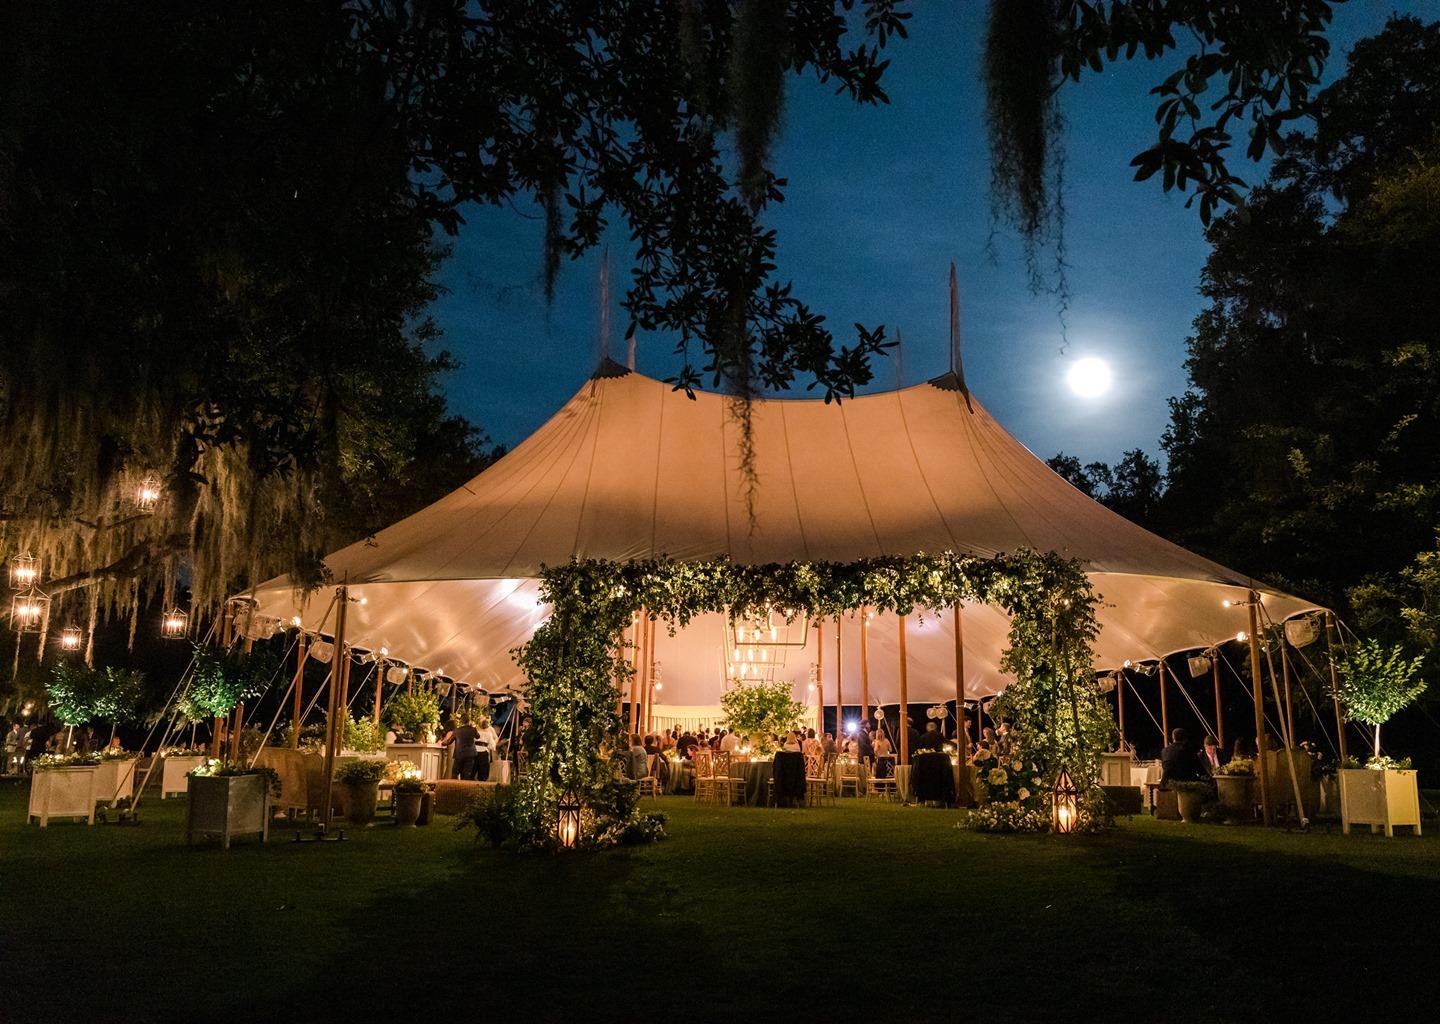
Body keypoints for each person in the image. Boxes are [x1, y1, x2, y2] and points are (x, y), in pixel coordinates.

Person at [442, 715, 481, 780]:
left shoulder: (457, 730)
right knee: (467, 773)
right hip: (470, 754)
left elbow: (449, 741)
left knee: (455, 773)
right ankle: (465, 788)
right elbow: (478, 736)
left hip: (459, 754)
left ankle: (453, 788)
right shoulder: (473, 729)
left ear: (461, 722)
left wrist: (442, 743)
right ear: (469, 721)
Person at [474, 716, 500, 782]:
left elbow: (496, 738)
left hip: (475, 751)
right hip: (483, 752)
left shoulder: (475, 731)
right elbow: (491, 745)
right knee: (483, 772)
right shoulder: (488, 734)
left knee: (474, 770)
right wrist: (492, 746)